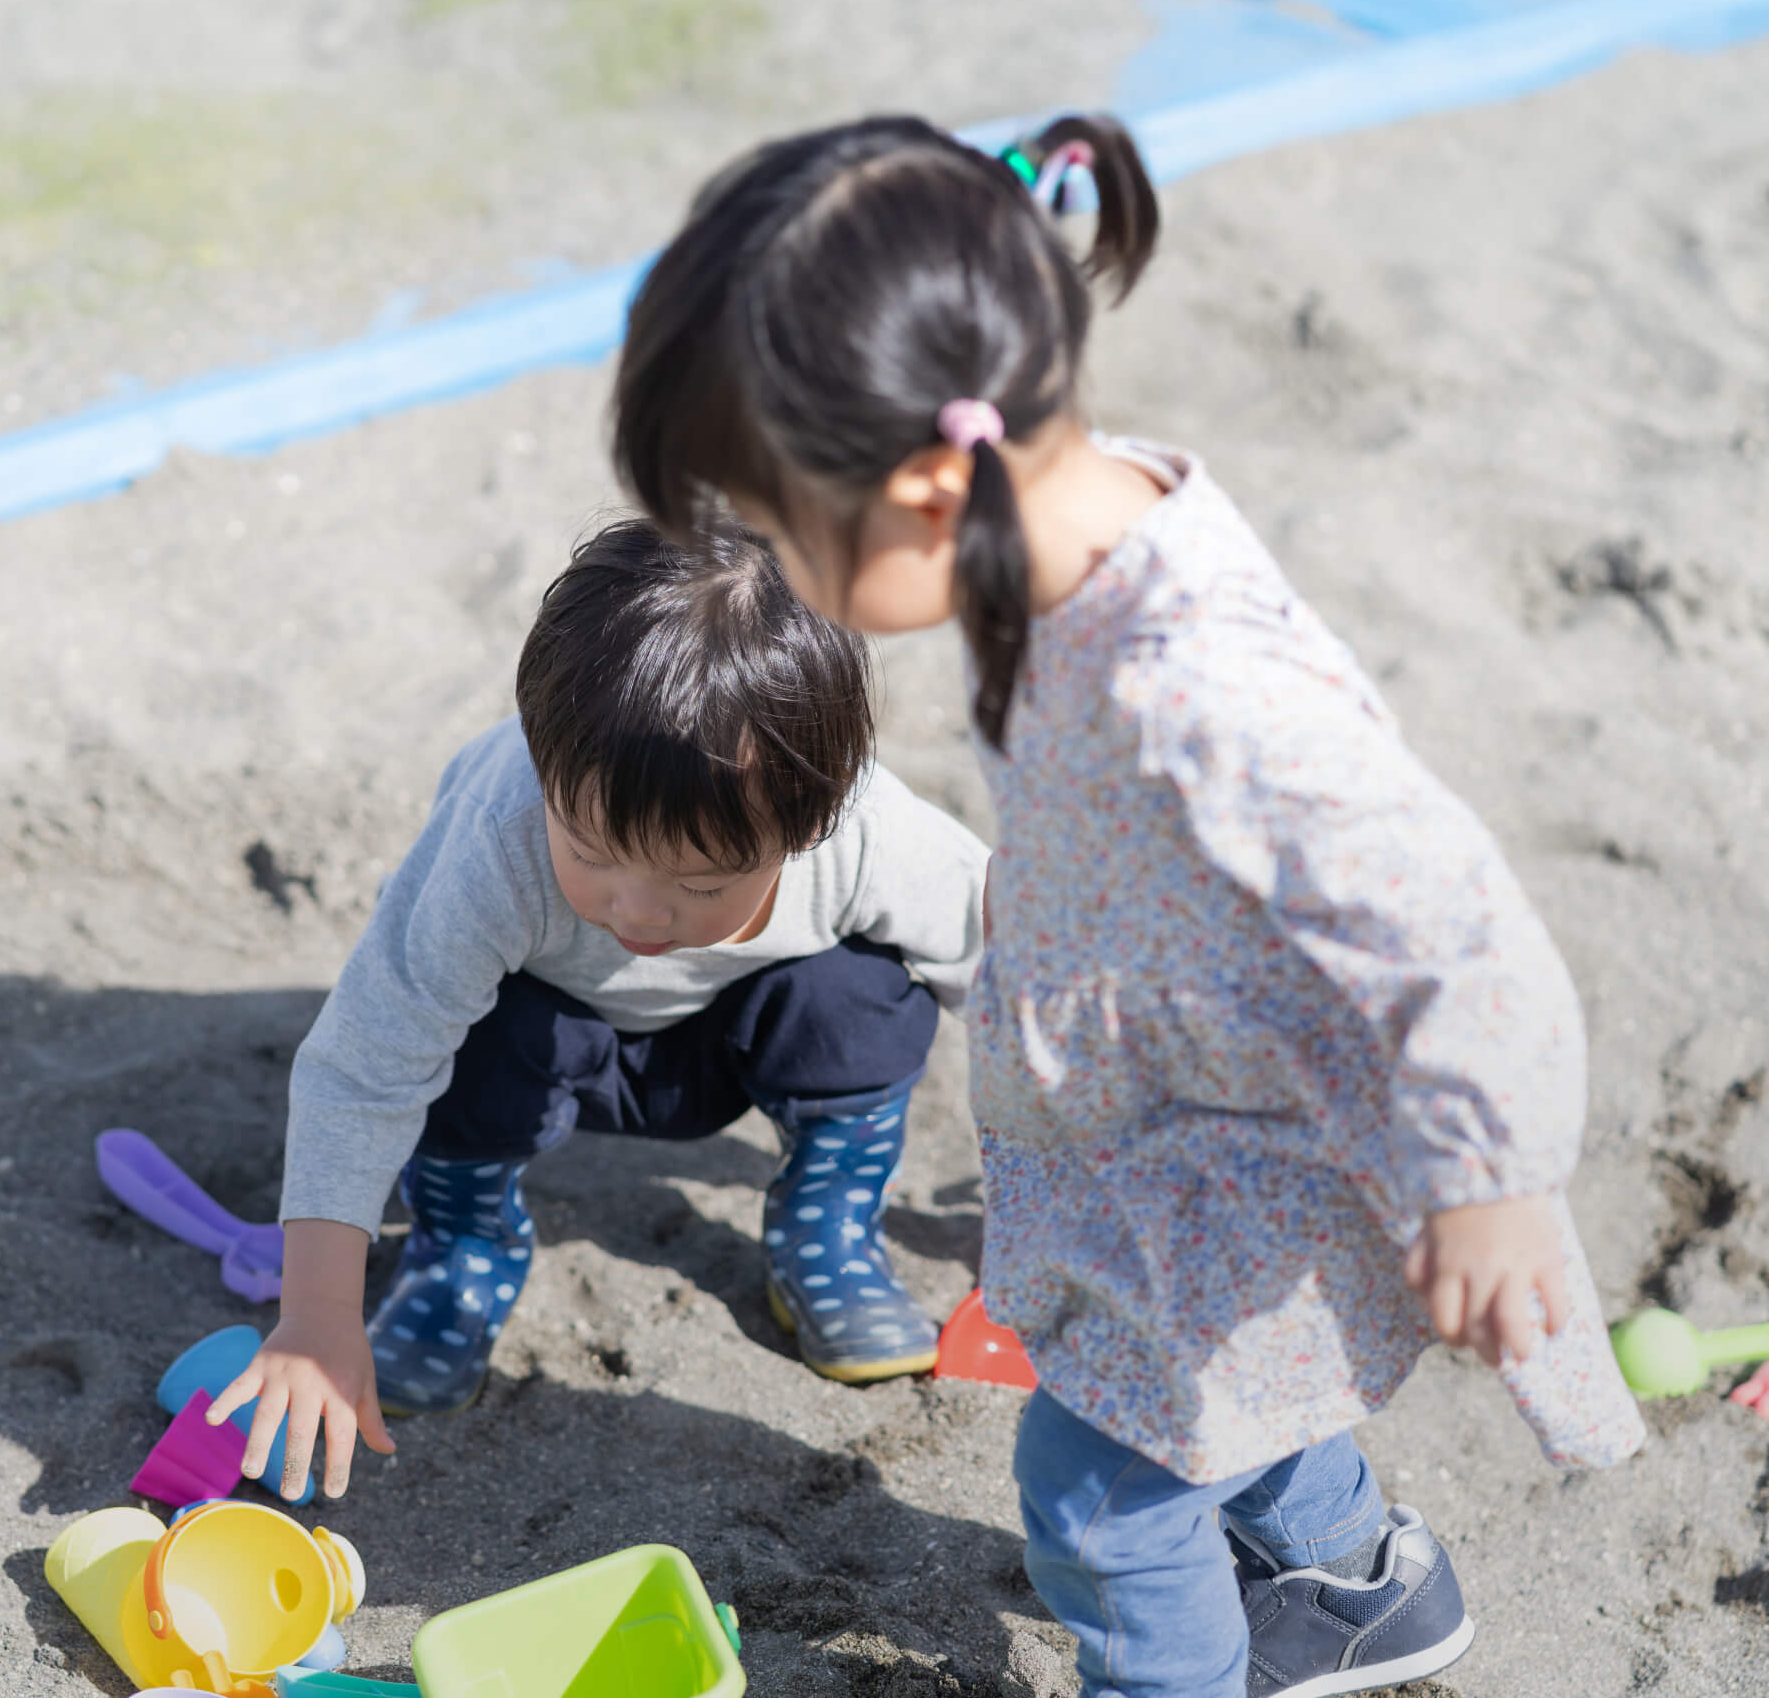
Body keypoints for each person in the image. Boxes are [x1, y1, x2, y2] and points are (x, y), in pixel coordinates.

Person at [604, 111, 1644, 1698]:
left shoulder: (1197, 697)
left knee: (1098, 1493)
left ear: (935, 479)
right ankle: (1357, 1585)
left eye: (785, 530)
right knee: (1238, 1408)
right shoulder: (1077, 517)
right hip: (1188, 1118)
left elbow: (1463, 927)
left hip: (1241, 1168)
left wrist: (1492, 1182)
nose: (781, 579)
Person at [209, 518, 989, 1496]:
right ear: (544, 763)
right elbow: (367, 1062)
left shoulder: (867, 833)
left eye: (701, 884)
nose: (638, 909)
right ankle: (464, 1245)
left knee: (858, 992)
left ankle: (826, 1228)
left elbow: (1014, 970)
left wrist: (1077, 1178)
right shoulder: (495, 841)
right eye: (590, 853)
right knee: (469, 1032)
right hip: (545, 1038)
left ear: (812, 818)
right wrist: (318, 1316)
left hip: (737, 1035)